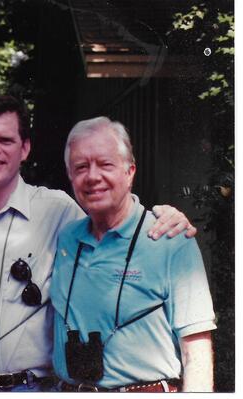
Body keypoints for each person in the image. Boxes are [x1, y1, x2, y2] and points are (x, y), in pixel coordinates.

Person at [0, 93, 197, 392]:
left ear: (25, 148)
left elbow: (111, 220)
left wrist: (163, 216)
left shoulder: (58, 210)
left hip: (34, 387)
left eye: (5, 140)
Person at [50, 116, 215, 392]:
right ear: (70, 176)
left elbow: (196, 352)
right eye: (81, 167)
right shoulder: (66, 238)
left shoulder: (171, 239)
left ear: (130, 172)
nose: (92, 176)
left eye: (105, 164)